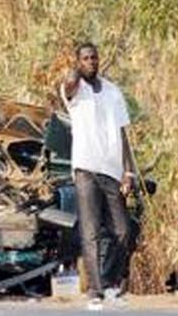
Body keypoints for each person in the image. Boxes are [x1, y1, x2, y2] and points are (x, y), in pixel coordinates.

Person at [61, 42, 137, 311]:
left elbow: (123, 133)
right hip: (85, 168)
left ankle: (111, 284)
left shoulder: (113, 92)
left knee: (123, 230)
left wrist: (128, 171)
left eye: (94, 58)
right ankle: (95, 291)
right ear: (78, 62)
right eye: (85, 58)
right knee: (90, 231)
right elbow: (69, 84)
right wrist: (74, 72)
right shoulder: (75, 90)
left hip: (112, 170)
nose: (91, 62)